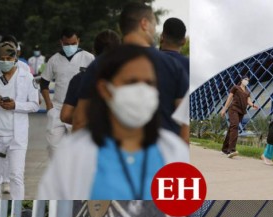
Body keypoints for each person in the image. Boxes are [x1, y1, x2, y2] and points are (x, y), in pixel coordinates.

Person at [37, 44, 189, 199]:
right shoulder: (74, 154)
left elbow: (178, 214)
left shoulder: (174, 151)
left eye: (149, 83)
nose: (142, 91)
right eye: (131, 82)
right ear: (105, 89)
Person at [73, 2, 189, 141]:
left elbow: (80, 120)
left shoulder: (99, 64)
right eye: (154, 24)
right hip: (161, 155)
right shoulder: (173, 66)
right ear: (144, 24)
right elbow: (185, 122)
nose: (154, 30)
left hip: (111, 155)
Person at [0, 42, 39, 199]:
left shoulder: (26, 77)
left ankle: (17, 210)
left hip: (16, 135)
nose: (5, 62)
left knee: (16, 176)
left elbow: (34, 105)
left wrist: (15, 105)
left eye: (8, 58)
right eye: (1, 58)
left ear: (15, 58)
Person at [40, 28, 95, 157]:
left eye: (73, 43)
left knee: (79, 146)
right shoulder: (54, 59)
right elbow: (44, 83)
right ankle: (59, 173)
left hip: (79, 108)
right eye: (67, 44)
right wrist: (49, 106)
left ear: (78, 41)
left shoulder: (88, 57)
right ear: (61, 42)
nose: (70, 46)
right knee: (53, 145)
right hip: (58, 107)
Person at [60, 29, 121, 125]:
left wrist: (90, 119)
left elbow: (65, 115)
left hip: (89, 136)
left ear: (94, 50)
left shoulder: (80, 78)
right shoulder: (130, 78)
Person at [220, 76, 258, 158]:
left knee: (231, 128)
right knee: (235, 127)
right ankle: (231, 150)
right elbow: (229, 98)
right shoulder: (235, 87)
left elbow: (249, 101)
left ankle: (224, 149)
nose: (247, 81)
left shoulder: (247, 92)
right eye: (245, 79)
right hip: (233, 109)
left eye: (248, 80)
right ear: (241, 80)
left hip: (241, 112)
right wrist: (224, 109)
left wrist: (253, 105)